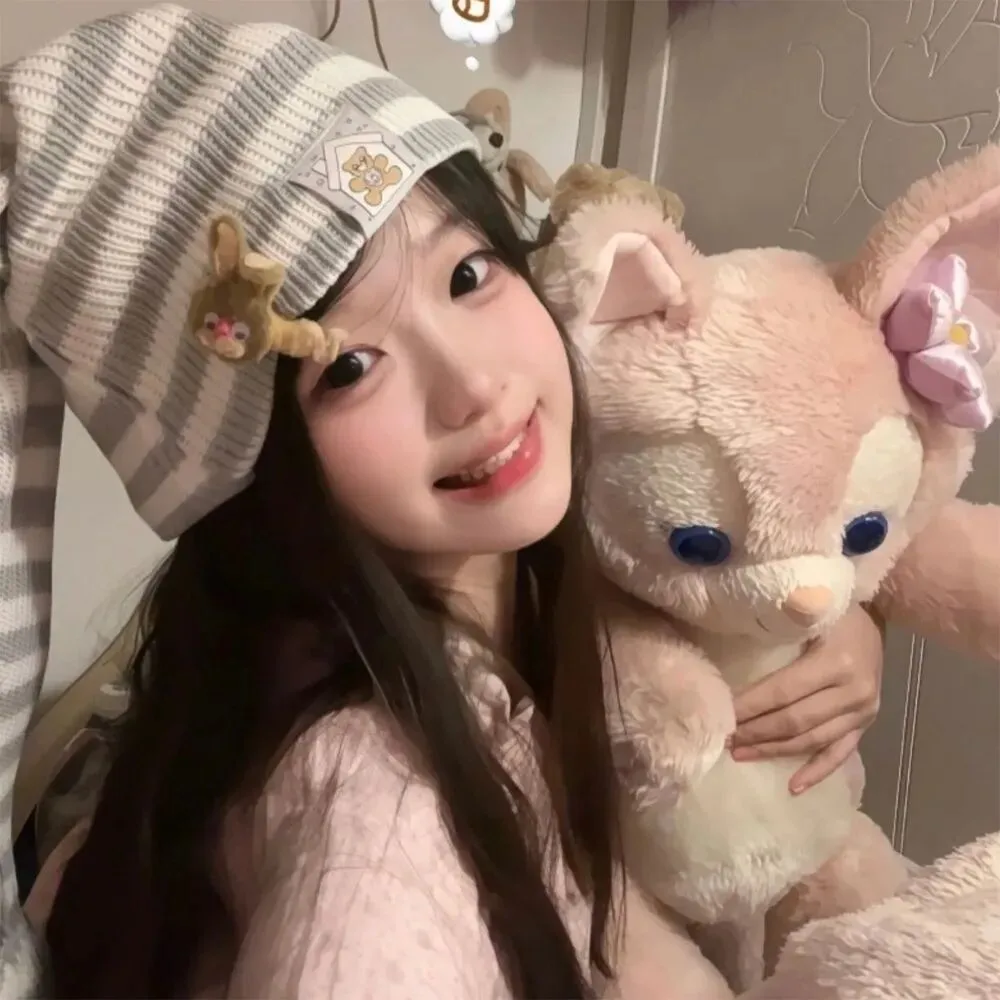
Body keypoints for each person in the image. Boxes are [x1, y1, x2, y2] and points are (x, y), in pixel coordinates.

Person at [0, 6, 885, 997]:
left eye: (467, 274)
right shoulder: (376, 815)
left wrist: (836, 634)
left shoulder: (514, 571)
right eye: (350, 368)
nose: (472, 386)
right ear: (248, 469)